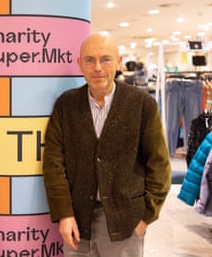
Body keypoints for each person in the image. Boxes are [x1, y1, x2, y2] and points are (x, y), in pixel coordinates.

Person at [42, 33, 171, 257]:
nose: (98, 67)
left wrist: (146, 217)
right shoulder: (66, 104)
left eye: (106, 59)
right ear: (79, 64)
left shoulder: (142, 105)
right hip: (77, 222)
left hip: (126, 224)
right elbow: (53, 163)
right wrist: (63, 213)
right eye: (90, 60)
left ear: (119, 61)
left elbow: (159, 165)